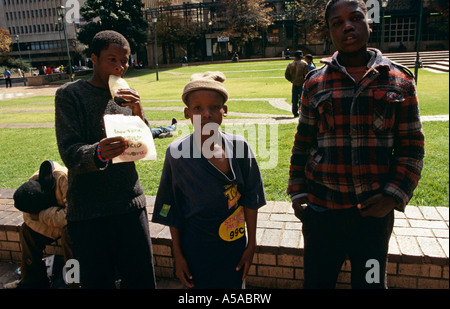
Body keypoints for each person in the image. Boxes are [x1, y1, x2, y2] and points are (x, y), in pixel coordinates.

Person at [287, 0, 425, 289]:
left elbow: (411, 147)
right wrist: (298, 192)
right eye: (337, 22)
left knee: (371, 285)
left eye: (355, 18)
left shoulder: (399, 81)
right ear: (330, 32)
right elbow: (302, 144)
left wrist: (394, 195)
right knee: (317, 284)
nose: (346, 26)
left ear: (368, 23)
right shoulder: (315, 83)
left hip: (373, 220)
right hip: (322, 214)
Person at [55, 30, 156, 289]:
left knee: (141, 279)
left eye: (124, 61)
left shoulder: (126, 95)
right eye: (112, 60)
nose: (120, 67)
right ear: (94, 59)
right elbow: (69, 151)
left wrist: (138, 111)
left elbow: (143, 144)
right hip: (89, 210)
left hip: (129, 203)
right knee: (97, 282)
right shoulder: (70, 95)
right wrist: (98, 153)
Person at [152, 71, 266, 289]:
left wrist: (251, 246)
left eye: (214, 107)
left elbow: (252, 198)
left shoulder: (239, 147)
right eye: (197, 108)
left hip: (234, 248)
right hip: (195, 251)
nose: (206, 114)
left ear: (225, 111)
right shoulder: (176, 153)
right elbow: (171, 207)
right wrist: (178, 255)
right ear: (187, 113)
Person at [7, 161, 74, 289]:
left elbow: (71, 215)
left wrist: (42, 216)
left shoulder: (63, 179)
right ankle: (32, 280)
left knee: (69, 233)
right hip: (56, 221)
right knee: (26, 231)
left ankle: (75, 282)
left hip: (75, 223)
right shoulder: (31, 186)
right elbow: (29, 218)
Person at [284, 50, 309, 117]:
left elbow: (286, 75)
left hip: (294, 83)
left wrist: (292, 80)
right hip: (302, 83)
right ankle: (301, 111)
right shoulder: (304, 64)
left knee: (294, 99)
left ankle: (294, 111)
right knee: (302, 98)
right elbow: (307, 75)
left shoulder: (290, 64)